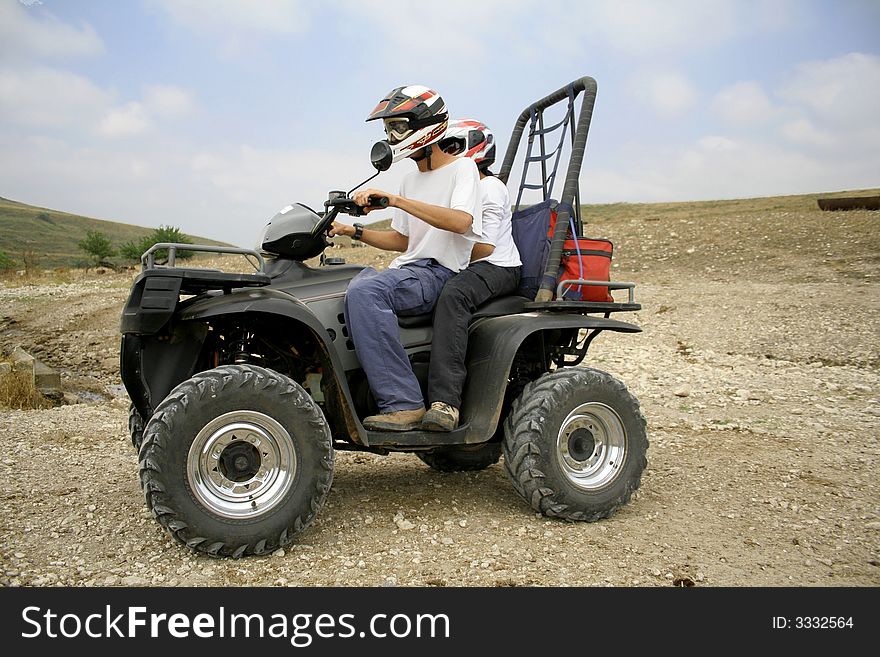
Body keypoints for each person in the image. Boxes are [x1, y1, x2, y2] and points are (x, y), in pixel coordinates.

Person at [329, 85, 483, 432]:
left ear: (425, 125)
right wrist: (351, 230)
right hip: (410, 269)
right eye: (387, 130)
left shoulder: (463, 170)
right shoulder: (411, 178)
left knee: (367, 293)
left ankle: (404, 403)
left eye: (397, 127)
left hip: (438, 273)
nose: (391, 137)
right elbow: (402, 240)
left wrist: (396, 202)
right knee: (349, 286)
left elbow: (462, 222)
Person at [421, 119, 522, 432]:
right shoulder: (462, 188)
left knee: (454, 295)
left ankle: (446, 403)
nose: (445, 153)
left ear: (473, 148)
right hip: (472, 263)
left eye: (451, 147)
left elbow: (486, 247)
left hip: (498, 266)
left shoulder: (489, 188)